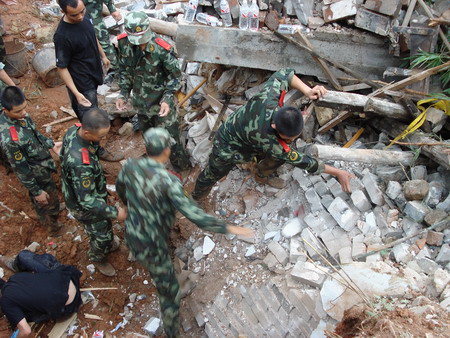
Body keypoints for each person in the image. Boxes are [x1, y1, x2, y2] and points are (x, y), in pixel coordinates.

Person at [116, 128, 254, 337]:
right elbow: (195, 216)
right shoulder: (169, 181)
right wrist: (229, 227)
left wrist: (127, 206)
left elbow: (121, 189)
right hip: (152, 245)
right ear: (167, 151)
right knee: (169, 293)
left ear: (146, 148)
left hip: (133, 232)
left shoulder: (131, 166)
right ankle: (172, 332)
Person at [192, 68, 354, 200]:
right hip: (228, 145)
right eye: (288, 138)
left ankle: (261, 173)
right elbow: (305, 162)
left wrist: (308, 90)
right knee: (212, 173)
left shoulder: (269, 97)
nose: (291, 141)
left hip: (243, 128)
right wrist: (338, 172)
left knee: (274, 154)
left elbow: (284, 73)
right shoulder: (273, 144)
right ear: (276, 127)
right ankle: (197, 196)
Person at [115, 11, 190, 173]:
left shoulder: (161, 48)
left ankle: (182, 168)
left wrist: (168, 98)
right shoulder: (123, 43)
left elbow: (175, 77)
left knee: (171, 140)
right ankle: (156, 165)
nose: (139, 44)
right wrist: (123, 93)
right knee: (149, 138)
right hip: (141, 104)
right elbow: (125, 70)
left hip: (162, 105)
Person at [60, 107, 126, 276]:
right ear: (88, 133)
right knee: (101, 235)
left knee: (105, 226)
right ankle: (97, 257)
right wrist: (114, 212)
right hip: (84, 206)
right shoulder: (80, 164)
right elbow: (87, 201)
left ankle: (107, 242)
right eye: (101, 137)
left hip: (91, 193)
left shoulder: (74, 131)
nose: (102, 139)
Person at [53, 0, 122, 161]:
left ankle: (92, 146)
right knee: (90, 117)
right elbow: (62, 68)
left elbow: (93, 36)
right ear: (64, 12)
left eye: (82, 11)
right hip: (80, 83)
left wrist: (103, 55)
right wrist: (76, 93)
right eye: (74, 14)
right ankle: (94, 150)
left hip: (92, 72)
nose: (80, 16)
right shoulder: (62, 36)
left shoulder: (85, 16)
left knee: (93, 111)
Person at [0, 86, 64, 235]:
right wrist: (36, 191)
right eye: (18, 111)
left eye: (24, 108)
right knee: (44, 201)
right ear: (5, 110)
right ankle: (53, 228)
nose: (24, 113)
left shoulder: (22, 117)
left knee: (50, 195)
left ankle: (52, 207)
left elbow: (36, 135)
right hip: (34, 172)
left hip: (43, 163)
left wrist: (51, 144)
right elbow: (21, 169)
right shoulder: (10, 139)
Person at [0, 250, 82, 338]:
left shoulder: (6, 303)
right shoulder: (15, 277)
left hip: (70, 305)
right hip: (70, 278)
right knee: (24, 256)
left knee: (27, 314)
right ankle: (15, 264)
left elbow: (26, 331)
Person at [84, 0, 122, 79]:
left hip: (95, 18)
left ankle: (117, 74)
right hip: (76, 18)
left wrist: (112, 9)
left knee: (105, 46)